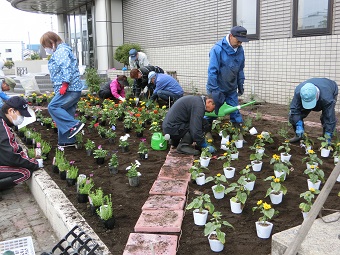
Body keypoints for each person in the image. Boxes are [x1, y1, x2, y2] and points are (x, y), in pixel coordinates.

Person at [40, 31, 84, 147]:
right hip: (72, 89)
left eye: (46, 46)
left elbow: (66, 67)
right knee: (66, 114)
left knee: (53, 107)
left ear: (51, 42)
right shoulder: (63, 50)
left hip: (69, 89)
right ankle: (67, 141)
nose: (46, 49)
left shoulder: (61, 51)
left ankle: (74, 125)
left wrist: (65, 83)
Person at [206, 25, 249, 140]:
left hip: (231, 88)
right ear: (231, 36)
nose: (240, 44)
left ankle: (238, 134)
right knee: (211, 111)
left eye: (242, 42)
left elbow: (240, 69)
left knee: (235, 110)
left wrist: (240, 84)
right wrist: (214, 90)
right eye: (238, 40)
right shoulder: (217, 49)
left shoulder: (240, 50)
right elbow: (212, 71)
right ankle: (206, 132)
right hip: (217, 88)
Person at [0, 96, 40, 191]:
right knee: (24, 172)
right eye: (21, 114)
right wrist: (34, 163)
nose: (22, 118)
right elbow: (11, 156)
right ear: (11, 111)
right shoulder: (3, 127)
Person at [289, 78, 338, 143]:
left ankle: (326, 138)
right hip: (316, 91)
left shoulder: (327, 99)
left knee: (326, 117)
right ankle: (298, 135)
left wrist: (328, 134)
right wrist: (298, 124)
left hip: (330, 88)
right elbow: (294, 110)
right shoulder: (299, 91)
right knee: (293, 116)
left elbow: (330, 117)